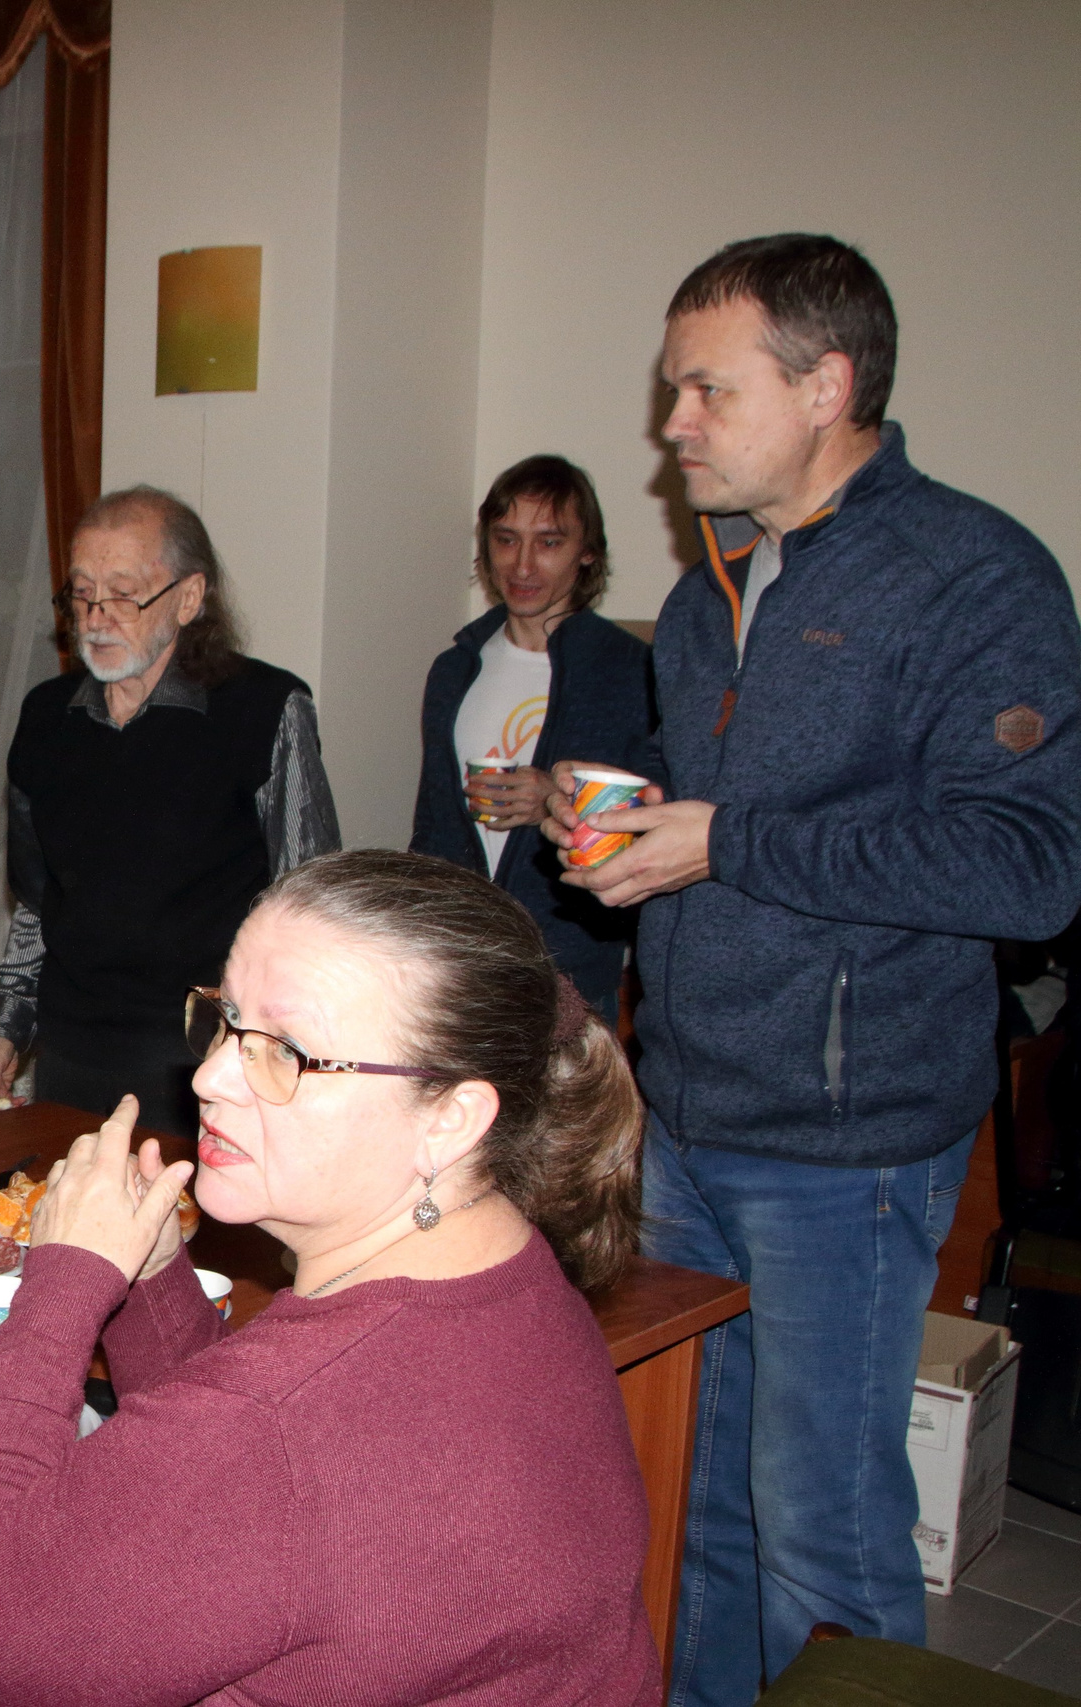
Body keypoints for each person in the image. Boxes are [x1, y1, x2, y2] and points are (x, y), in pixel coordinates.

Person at [544, 234, 1081, 1700]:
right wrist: (631, 827)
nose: (672, 424)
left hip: (847, 1150)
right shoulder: (711, 587)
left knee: (822, 1538)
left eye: (705, 389)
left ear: (828, 386)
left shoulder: (974, 576)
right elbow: (733, 821)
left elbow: (1030, 866)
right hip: (686, 1118)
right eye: (673, 390)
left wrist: (723, 841)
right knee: (694, 1508)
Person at [0, 849, 660, 1703]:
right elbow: (253, 1494)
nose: (210, 1075)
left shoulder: (272, 1428)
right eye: (226, 1020)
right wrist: (152, 1274)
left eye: (285, 1051)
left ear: (451, 1117)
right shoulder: (514, 1273)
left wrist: (63, 1282)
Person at [0, 487, 339, 1135]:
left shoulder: (263, 708)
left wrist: (276, 1053)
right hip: (72, 1047)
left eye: (123, 594)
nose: (96, 617)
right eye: (82, 594)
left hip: (204, 1057)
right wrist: (6, 1029)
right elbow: (37, 903)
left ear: (189, 599)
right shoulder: (47, 717)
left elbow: (309, 903)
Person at [410, 455, 654, 1018]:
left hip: (572, 972)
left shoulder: (632, 671)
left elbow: (657, 826)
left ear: (587, 551)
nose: (522, 564)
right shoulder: (455, 668)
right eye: (506, 539)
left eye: (548, 542)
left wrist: (555, 802)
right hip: (461, 964)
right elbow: (432, 826)